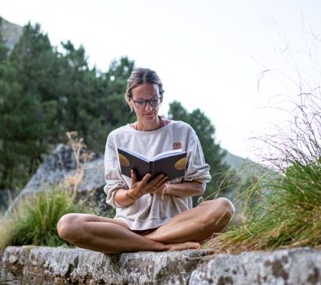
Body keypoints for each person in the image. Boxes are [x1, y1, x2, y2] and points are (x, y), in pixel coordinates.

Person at [57, 68, 234, 253]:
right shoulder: (117, 138)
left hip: (175, 225)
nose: (148, 108)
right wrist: (134, 193)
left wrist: (165, 188)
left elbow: (199, 187)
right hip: (127, 225)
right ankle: (157, 246)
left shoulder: (183, 131)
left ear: (161, 97)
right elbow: (115, 196)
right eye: (141, 102)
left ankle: (133, 242)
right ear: (130, 101)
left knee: (224, 208)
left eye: (153, 100)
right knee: (67, 224)